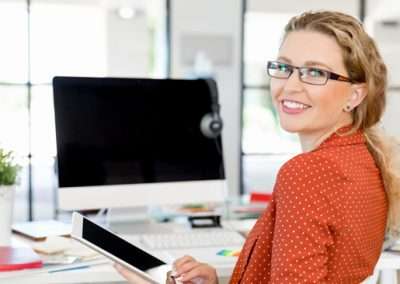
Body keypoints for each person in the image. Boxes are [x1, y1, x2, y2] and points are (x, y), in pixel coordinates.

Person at [116, 10, 400, 283]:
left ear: (355, 94)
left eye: (315, 72)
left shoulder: (307, 173)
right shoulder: (368, 159)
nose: (289, 87)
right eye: (284, 67)